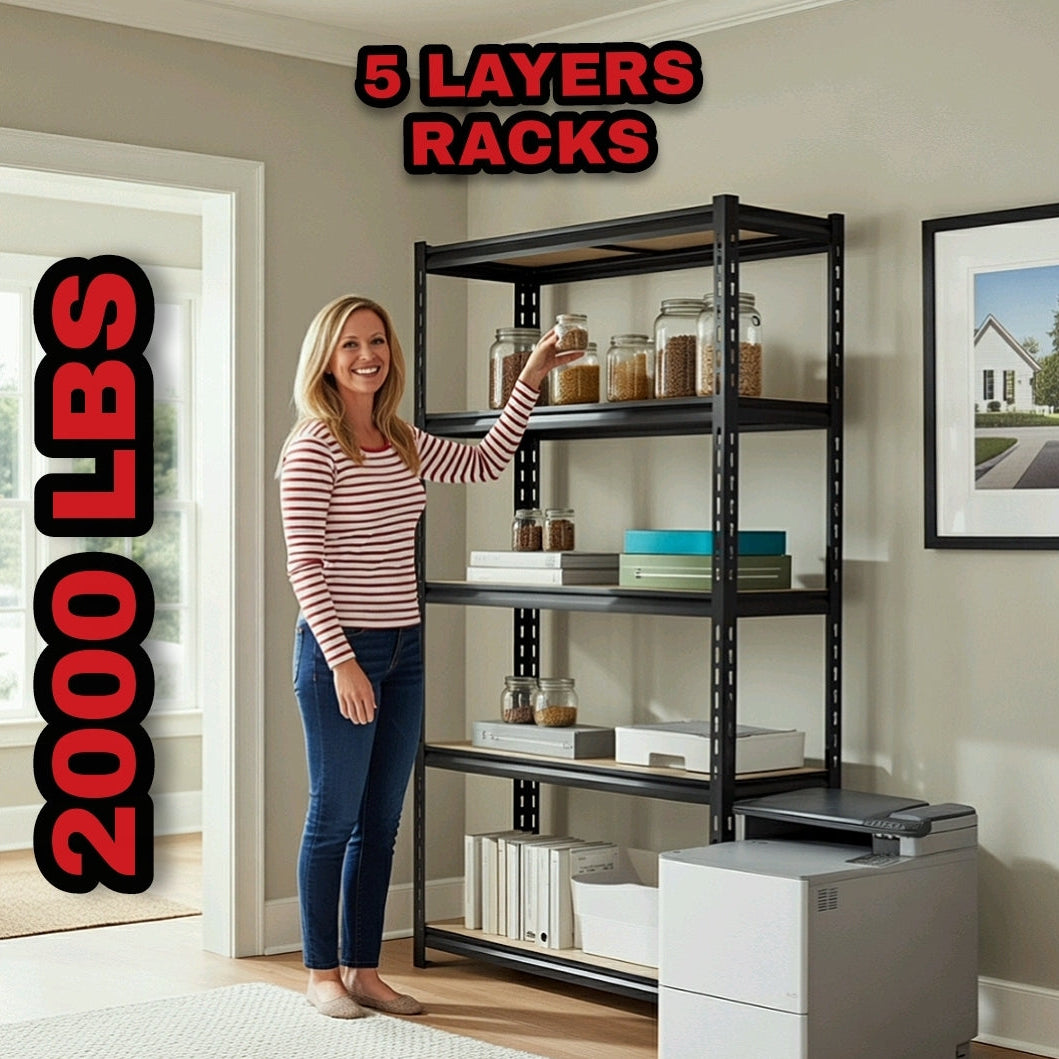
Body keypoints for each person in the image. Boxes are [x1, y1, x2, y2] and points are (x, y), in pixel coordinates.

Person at [278, 294, 578, 1019]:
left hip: (402, 649)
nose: (365, 356)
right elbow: (305, 564)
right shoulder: (312, 445)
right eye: (349, 344)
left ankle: (363, 968)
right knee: (334, 816)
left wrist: (530, 375)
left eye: (375, 342)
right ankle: (320, 972)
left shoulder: (403, 438)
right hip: (336, 653)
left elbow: (487, 461)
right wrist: (344, 660)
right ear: (325, 357)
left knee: (381, 821)